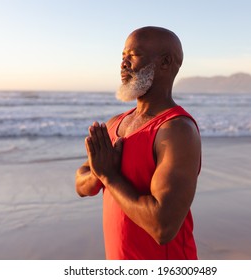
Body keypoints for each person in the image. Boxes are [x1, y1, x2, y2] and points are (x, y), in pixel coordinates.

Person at [75, 26, 201, 260]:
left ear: (165, 62)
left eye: (133, 55)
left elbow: (162, 227)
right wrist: (98, 174)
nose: (123, 63)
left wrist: (110, 176)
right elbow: (81, 185)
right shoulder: (116, 123)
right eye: (123, 56)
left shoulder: (176, 130)